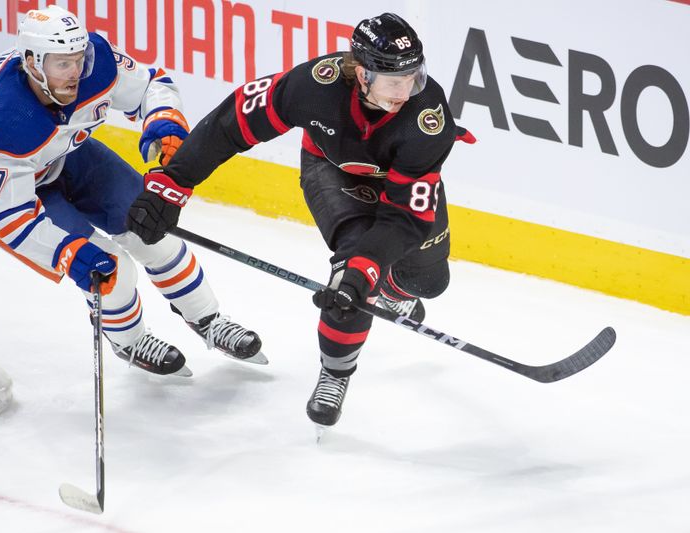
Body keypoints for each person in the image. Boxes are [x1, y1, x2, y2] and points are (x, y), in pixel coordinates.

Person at [126, 13, 474, 426]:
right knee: (350, 280)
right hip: (332, 170)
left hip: (399, 190)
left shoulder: (427, 117)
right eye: (394, 81)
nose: (407, 90)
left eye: (414, 77)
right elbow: (232, 122)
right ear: (361, 74)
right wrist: (173, 183)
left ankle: (395, 289)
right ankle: (335, 373)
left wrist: (372, 267)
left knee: (429, 283)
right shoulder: (314, 85)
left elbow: (404, 218)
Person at [0, 5, 266, 378]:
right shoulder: (3, 121)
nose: (76, 74)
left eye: (78, 59)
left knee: (153, 230)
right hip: (2, 195)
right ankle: (129, 341)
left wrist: (165, 120)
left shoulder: (96, 62)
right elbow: (10, 217)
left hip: (63, 156)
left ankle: (208, 320)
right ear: (32, 63)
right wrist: (66, 253)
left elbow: (151, 85)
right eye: (62, 64)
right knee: (109, 270)